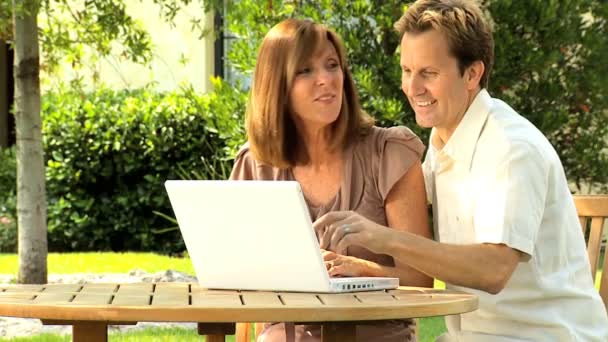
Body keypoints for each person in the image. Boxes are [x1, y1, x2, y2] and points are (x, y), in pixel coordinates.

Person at [315, 0, 608, 341]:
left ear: (472, 74)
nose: (412, 87)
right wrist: (361, 268)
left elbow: (494, 269)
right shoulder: (443, 139)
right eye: (407, 70)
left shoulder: (511, 148)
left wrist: (384, 239)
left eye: (429, 73)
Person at [229, 18, 433, 342]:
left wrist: (358, 269)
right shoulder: (255, 166)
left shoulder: (389, 153)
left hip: (376, 334)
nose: (326, 80)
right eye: (305, 71)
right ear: (277, 86)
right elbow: (236, 276)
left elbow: (420, 280)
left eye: (332, 65)